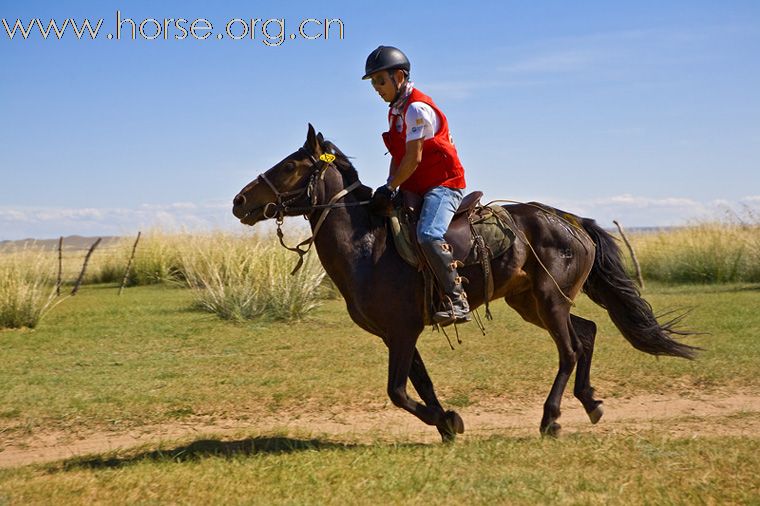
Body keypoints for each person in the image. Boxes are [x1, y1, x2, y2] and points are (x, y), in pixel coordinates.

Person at [364, 45, 470, 326]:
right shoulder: (395, 112)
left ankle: (458, 301)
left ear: (399, 76)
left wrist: (392, 186)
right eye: (373, 82)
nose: (376, 87)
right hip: (417, 184)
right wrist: (390, 187)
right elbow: (399, 156)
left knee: (428, 234)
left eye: (380, 80)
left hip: (443, 184)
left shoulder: (416, 109)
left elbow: (414, 157)